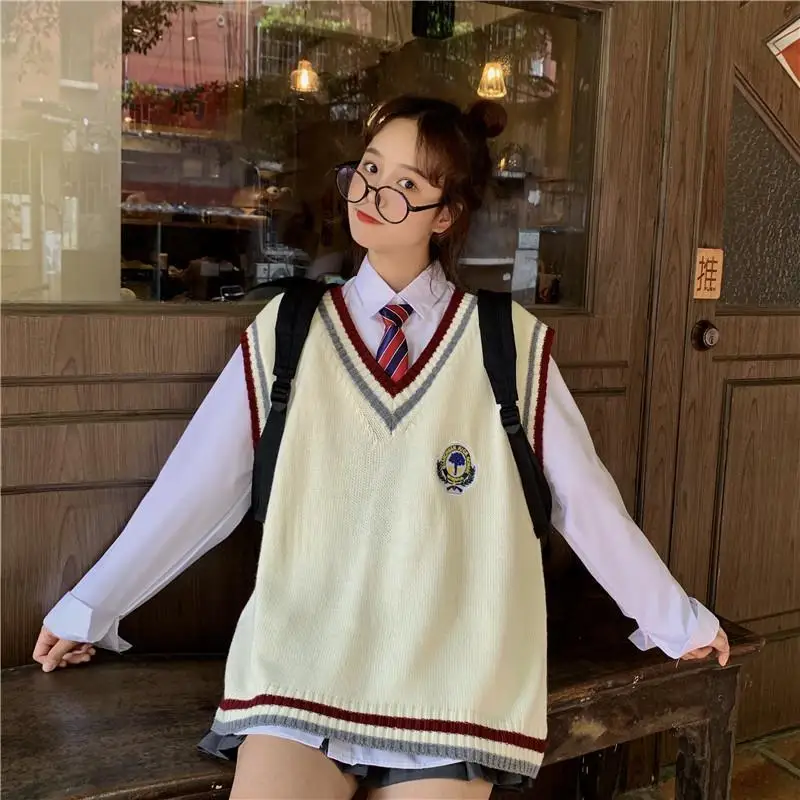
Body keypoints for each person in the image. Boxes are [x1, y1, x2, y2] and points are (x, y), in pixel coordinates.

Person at [33, 97, 729, 800]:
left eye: (406, 184)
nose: (371, 195)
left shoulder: (505, 341)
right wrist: (92, 606)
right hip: (302, 668)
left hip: (453, 681)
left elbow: (585, 501)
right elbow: (198, 487)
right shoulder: (291, 329)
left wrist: (674, 620)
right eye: (368, 170)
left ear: (446, 214)